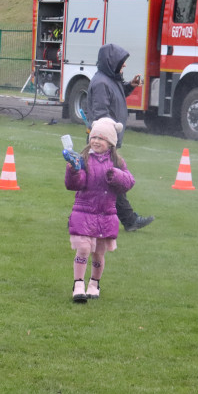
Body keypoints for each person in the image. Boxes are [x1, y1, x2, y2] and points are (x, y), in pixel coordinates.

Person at [64, 117, 135, 302]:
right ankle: (78, 283)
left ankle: (94, 283)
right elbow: (75, 185)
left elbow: (128, 182)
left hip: (106, 215)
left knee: (99, 253)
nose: (96, 141)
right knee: (83, 248)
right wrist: (73, 171)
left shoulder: (117, 162)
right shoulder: (84, 159)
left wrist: (116, 175)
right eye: (93, 137)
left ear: (110, 143)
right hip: (84, 212)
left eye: (101, 138)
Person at [86, 43, 153, 232]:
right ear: (111, 62)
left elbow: (117, 93)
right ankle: (130, 220)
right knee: (110, 180)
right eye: (121, 63)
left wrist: (130, 85)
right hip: (103, 142)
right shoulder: (101, 83)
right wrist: (106, 140)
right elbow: (100, 114)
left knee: (103, 181)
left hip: (107, 141)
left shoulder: (109, 79)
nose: (123, 66)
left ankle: (128, 220)